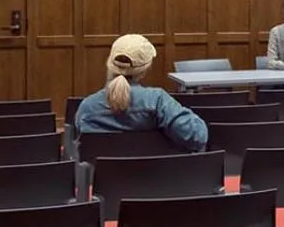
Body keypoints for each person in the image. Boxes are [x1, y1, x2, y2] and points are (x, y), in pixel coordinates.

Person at [71, 33, 207, 153]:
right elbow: (197, 137)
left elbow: (82, 149)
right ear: (145, 70)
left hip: (105, 181)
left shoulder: (87, 108)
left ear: (109, 63)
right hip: (158, 179)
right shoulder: (157, 101)